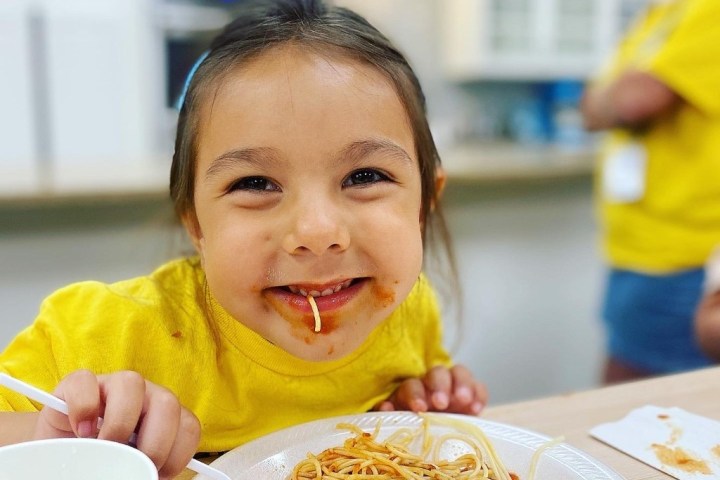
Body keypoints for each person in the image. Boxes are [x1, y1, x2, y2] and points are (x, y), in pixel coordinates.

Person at [0, 0, 487, 478]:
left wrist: (423, 396)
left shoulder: (406, 309)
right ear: (195, 224)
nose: (317, 234)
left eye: (364, 176)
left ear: (425, 203)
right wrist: (52, 441)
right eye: (255, 184)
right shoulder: (103, 333)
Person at [580, 0, 720, 384]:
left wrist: (612, 98)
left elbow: (632, 99)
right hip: (634, 249)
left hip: (685, 258)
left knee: (642, 412)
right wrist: (612, 99)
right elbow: (589, 107)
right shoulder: (660, 14)